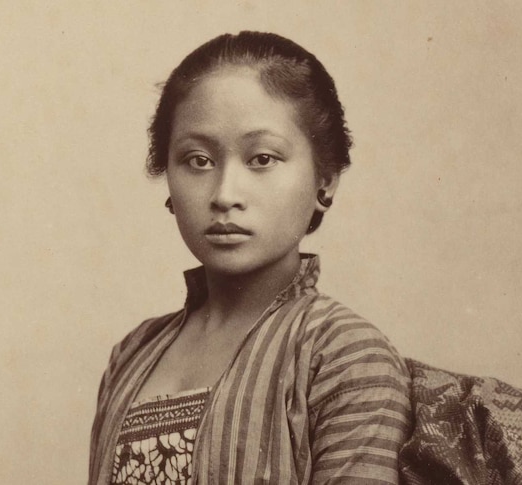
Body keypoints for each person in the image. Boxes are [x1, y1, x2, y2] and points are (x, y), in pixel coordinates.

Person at [89, 31, 411, 484]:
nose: (224, 195)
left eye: (262, 158)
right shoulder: (133, 354)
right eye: (198, 161)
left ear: (326, 179)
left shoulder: (341, 354)